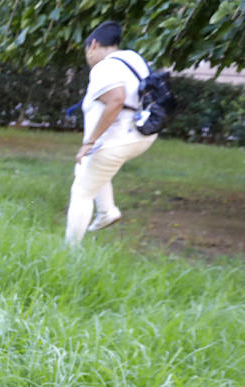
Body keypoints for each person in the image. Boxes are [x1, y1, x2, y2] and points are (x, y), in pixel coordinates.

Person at [65, 21, 157, 246]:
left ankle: (69, 252)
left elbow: (116, 99)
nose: (88, 58)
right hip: (141, 134)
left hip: (119, 137)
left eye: (87, 51)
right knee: (89, 167)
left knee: (81, 192)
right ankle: (106, 210)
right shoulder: (132, 59)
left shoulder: (104, 67)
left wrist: (90, 141)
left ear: (93, 45)